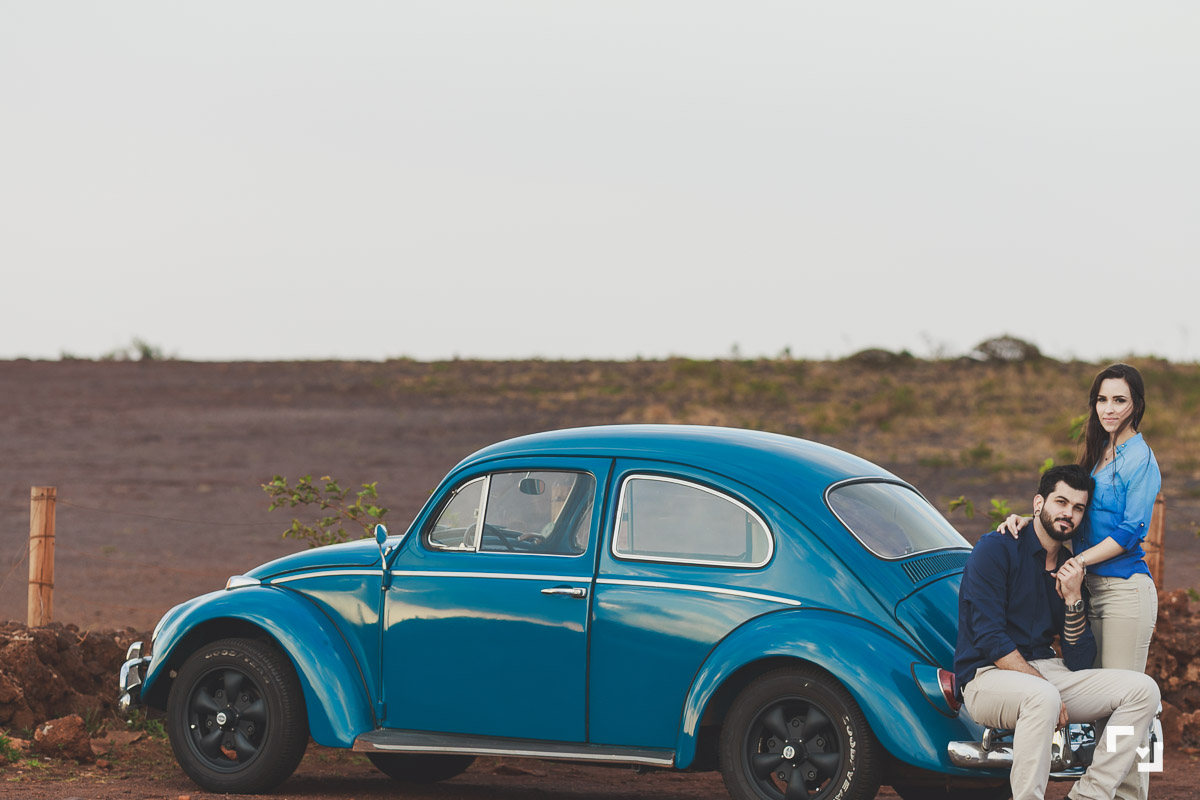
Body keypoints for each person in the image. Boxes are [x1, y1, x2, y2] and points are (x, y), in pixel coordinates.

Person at [998, 363, 1161, 800]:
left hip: (1125, 591)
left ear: (1136, 405)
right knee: (1107, 708)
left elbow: (1131, 531)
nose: (1109, 409)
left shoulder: (1140, 459)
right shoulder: (1099, 452)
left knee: (1127, 711)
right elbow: (1066, 508)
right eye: (1102, 399)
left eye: (1119, 400)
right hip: (1088, 589)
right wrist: (1027, 517)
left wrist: (1079, 562)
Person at [956, 464, 1160, 800]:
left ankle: (1090, 794)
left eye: (1078, 508)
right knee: (1043, 696)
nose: (1069, 514)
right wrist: (1041, 684)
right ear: (1039, 503)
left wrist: (1074, 598)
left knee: (1143, 692)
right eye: (1061, 502)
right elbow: (989, 637)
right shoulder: (997, 548)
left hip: (1045, 671)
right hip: (986, 676)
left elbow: (1080, 660)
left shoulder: (1071, 567)